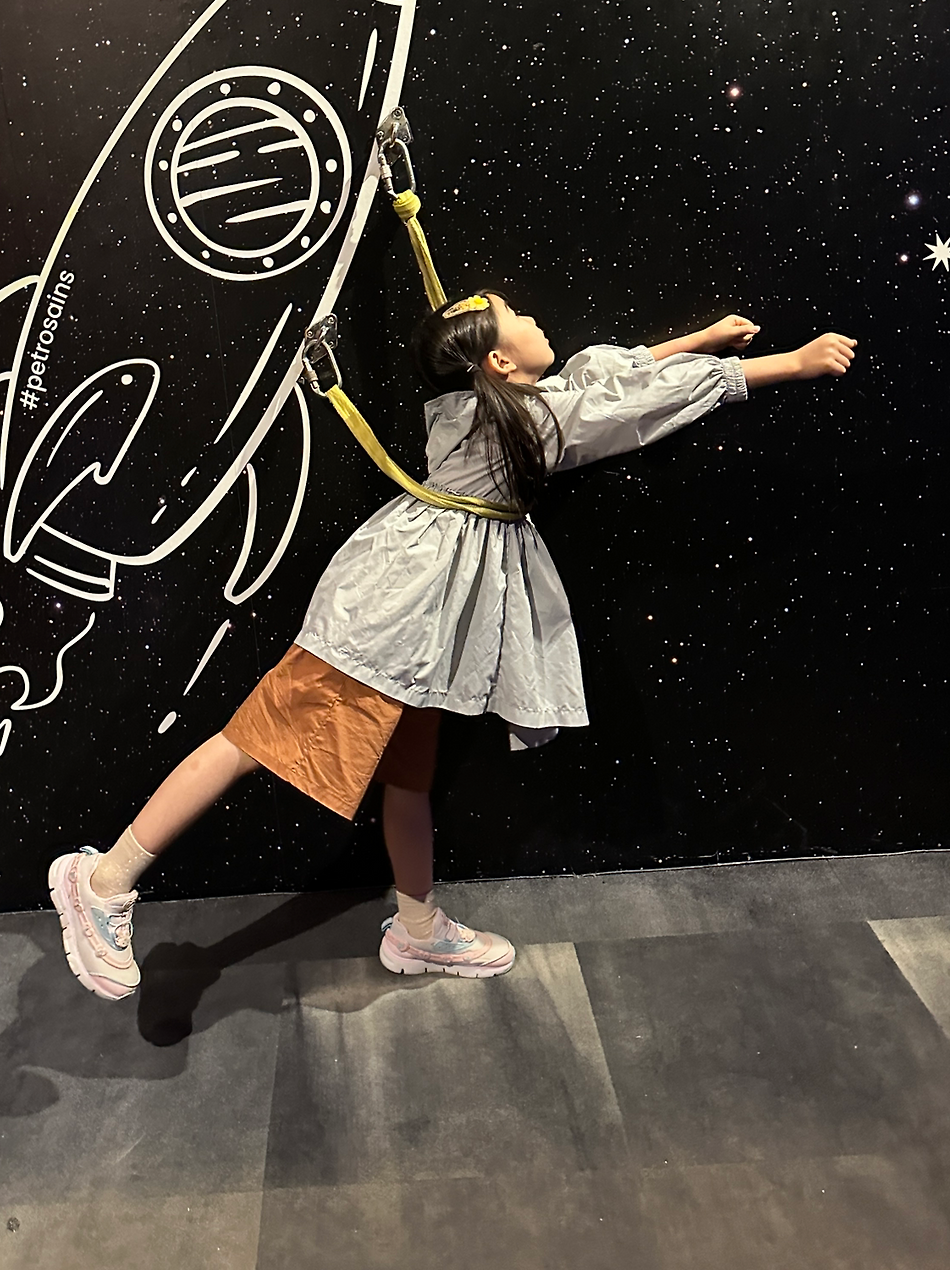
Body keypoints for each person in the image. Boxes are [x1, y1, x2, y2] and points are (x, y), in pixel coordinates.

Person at [50, 293, 856, 1000]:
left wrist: (701, 339)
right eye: (519, 318)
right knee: (253, 739)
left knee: (409, 776)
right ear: (499, 361)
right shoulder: (522, 419)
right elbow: (634, 406)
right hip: (394, 612)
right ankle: (104, 879)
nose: (538, 319)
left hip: (430, 621)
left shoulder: (498, 407)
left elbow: (603, 383)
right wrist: (790, 364)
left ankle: (416, 929)